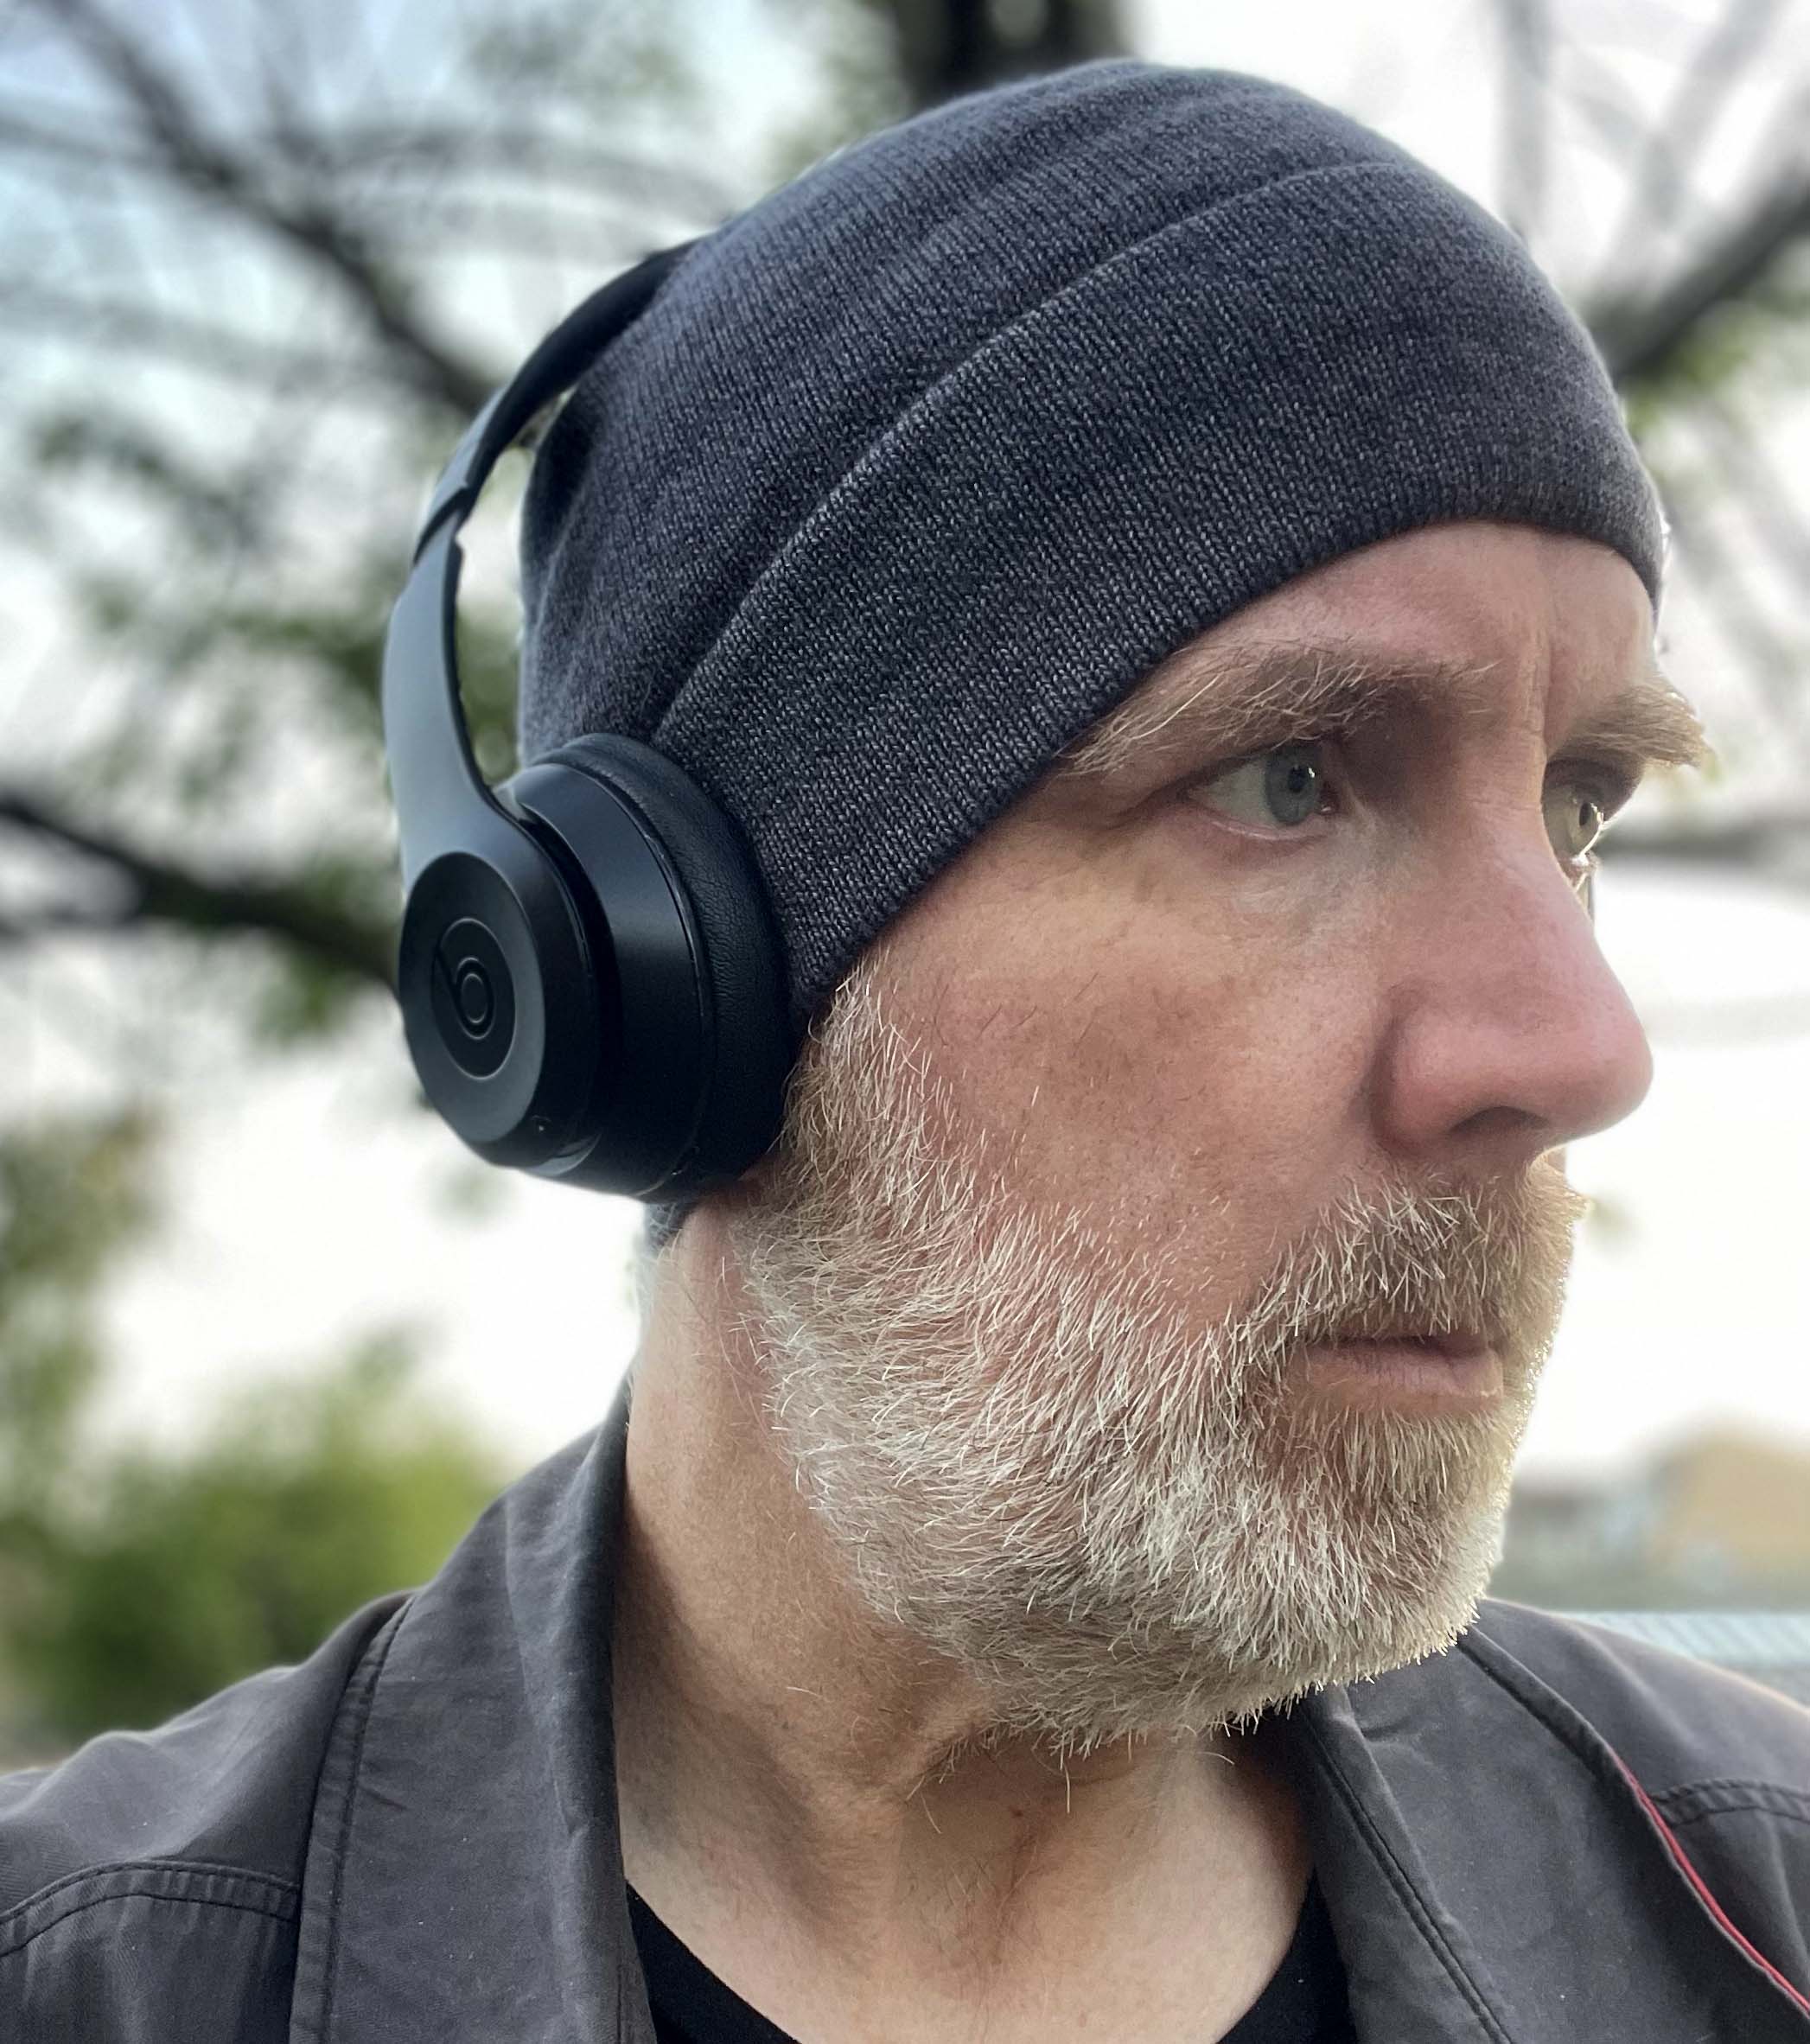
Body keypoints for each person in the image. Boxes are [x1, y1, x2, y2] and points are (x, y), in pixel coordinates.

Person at [3, 55, 1808, 2044]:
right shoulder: (95, 1984)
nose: (1578, 1044)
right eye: (1288, 777)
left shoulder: (1768, 1913)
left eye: (1576, 805)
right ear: (683, 985)